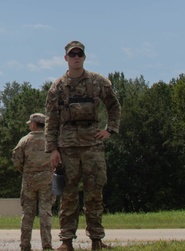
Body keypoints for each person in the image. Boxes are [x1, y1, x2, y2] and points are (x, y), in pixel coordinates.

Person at [45, 41, 121, 251]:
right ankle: (66, 241)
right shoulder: (58, 87)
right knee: (68, 196)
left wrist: (110, 130)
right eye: (72, 54)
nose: (76, 57)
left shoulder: (98, 82)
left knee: (94, 193)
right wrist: (52, 149)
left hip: (92, 146)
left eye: (80, 54)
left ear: (84, 57)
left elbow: (114, 106)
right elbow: (51, 120)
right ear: (66, 58)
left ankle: (97, 240)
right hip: (67, 147)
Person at [12, 112, 54, 251]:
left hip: (29, 181)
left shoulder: (24, 141)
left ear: (34, 124)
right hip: (47, 181)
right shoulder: (50, 140)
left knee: (28, 214)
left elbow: (17, 160)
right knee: (45, 212)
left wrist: (25, 170)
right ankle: (47, 245)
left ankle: (25, 245)